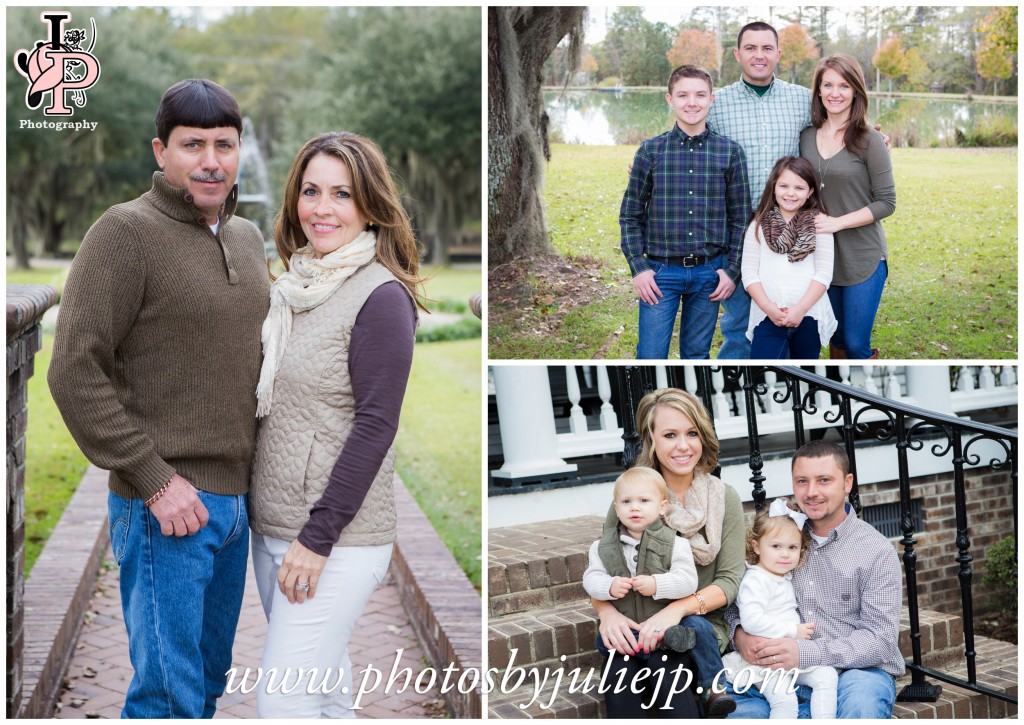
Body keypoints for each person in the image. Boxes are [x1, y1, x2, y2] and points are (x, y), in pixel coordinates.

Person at [48, 79, 270, 718]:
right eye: (192, 144)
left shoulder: (248, 240)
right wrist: (153, 480)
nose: (211, 160)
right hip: (164, 508)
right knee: (166, 697)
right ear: (161, 150)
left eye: (224, 145)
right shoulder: (124, 233)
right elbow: (74, 370)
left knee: (203, 686)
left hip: (233, 509)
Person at [247, 131, 425, 718]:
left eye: (342, 194)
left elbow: (376, 426)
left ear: (370, 203)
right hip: (273, 523)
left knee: (282, 700)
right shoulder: (293, 286)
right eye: (311, 191)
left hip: (335, 539)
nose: (322, 209)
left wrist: (317, 538)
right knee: (323, 692)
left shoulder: (380, 297)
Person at [593, 389, 745, 717]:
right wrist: (607, 613)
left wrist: (674, 611)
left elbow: (730, 581)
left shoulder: (724, 498)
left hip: (696, 623)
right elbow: (603, 568)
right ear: (652, 439)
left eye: (692, 433)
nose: (683, 445)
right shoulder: (634, 498)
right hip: (634, 617)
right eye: (670, 435)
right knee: (620, 670)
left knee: (670, 659)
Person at [725, 440, 905, 718]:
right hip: (775, 671)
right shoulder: (780, 540)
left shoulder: (875, 551)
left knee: (861, 708)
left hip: (856, 672)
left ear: (847, 483)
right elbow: (738, 599)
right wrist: (741, 636)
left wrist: (805, 653)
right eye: (802, 481)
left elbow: (880, 641)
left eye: (824, 480)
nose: (811, 492)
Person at [620, 64, 750, 359]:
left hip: (709, 272)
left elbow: (741, 219)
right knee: (650, 356)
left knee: (697, 356)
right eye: (683, 95)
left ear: (711, 99)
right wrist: (639, 268)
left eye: (700, 95)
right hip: (660, 273)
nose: (692, 102)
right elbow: (630, 216)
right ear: (670, 99)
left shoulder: (729, 152)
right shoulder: (650, 151)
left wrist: (731, 271)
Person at [707, 21, 813, 360]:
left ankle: (781, 379)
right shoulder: (716, 103)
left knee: (788, 314)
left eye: (767, 48)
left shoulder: (801, 99)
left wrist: (873, 136)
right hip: (735, 228)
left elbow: (838, 127)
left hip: (788, 228)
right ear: (737, 54)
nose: (759, 55)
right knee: (738, 322)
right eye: (750, 48)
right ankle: (742, 382)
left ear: (778, 54)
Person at [800, 54, 896, 360]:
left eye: (844, 85)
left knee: (856, 342)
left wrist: (837, 222)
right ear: (818, 91)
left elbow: (887, 202)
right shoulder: (805, 137)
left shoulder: (871, 140)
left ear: (855, 90)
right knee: (835, 337)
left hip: (862, 255)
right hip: (818, 256)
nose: (835, 92)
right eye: (827, 85)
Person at [721, 498, 838, 719]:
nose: (785, 554)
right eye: (776, 546)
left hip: (789, 656)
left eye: (792, 547)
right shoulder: (755, 580)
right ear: (757, 546)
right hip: (765, 659)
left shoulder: (781, 576)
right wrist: (792, 630)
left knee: (827, 675)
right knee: (784, 701)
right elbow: (751, 621)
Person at [582, 466, 700, 658]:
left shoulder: (677, 544)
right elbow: (591, 578)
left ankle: (702, 675)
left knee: (695, 628)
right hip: (629, 626)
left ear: (662, 507)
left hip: (666, 622)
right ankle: (639, 650)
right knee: (603, 643)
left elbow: (688, 581)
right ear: (616, 509)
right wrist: (609, 586)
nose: (634, 507)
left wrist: (656, 584)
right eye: (626, 501)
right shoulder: (601, 546)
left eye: (644, 501)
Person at [742, 156, 836, 359]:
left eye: (799, 188)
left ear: (811, 191)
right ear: (773, 187)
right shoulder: (758, 225)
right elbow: (749, 273)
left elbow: (823, 274)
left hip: (808, 314)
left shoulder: (820, 225)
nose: (790, 193)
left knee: (805, 373)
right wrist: (768, 307)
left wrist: (800, 309)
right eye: (784, 186)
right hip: (768, 315)